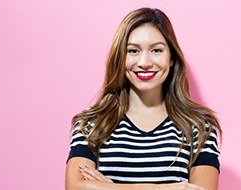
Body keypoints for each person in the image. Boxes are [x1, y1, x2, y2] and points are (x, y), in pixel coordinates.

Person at [66, 7, 222, 190]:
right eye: (133, 51)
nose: (145, 63)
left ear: (171, 57)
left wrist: (109, 187)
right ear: (120, 58)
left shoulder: (199, 126)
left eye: (156, 50)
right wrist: (164, 188)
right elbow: (74, 187)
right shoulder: (92, 123)